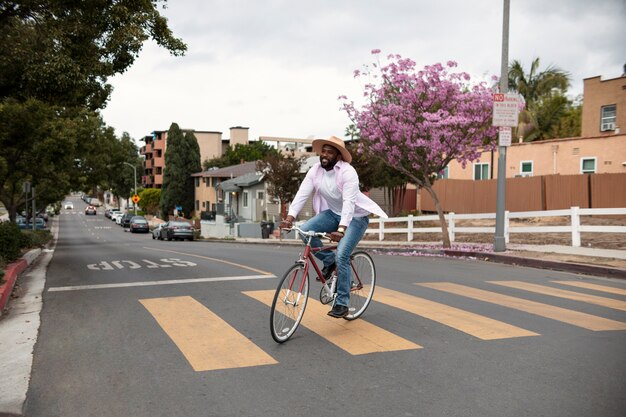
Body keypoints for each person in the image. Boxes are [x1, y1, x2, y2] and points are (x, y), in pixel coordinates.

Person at [280, 136, 388, 318]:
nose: (325, 155)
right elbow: (302, 194)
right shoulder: (315, 171)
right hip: (332, 213)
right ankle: (329, 262)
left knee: (342, 255)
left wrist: (341, 230)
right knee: (306, 232)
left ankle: (342, 303)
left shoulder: (348, 172)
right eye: (323, 151)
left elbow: (349, 203)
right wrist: (289, 218)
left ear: (338, 156)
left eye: (330, 152)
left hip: (355, 217)